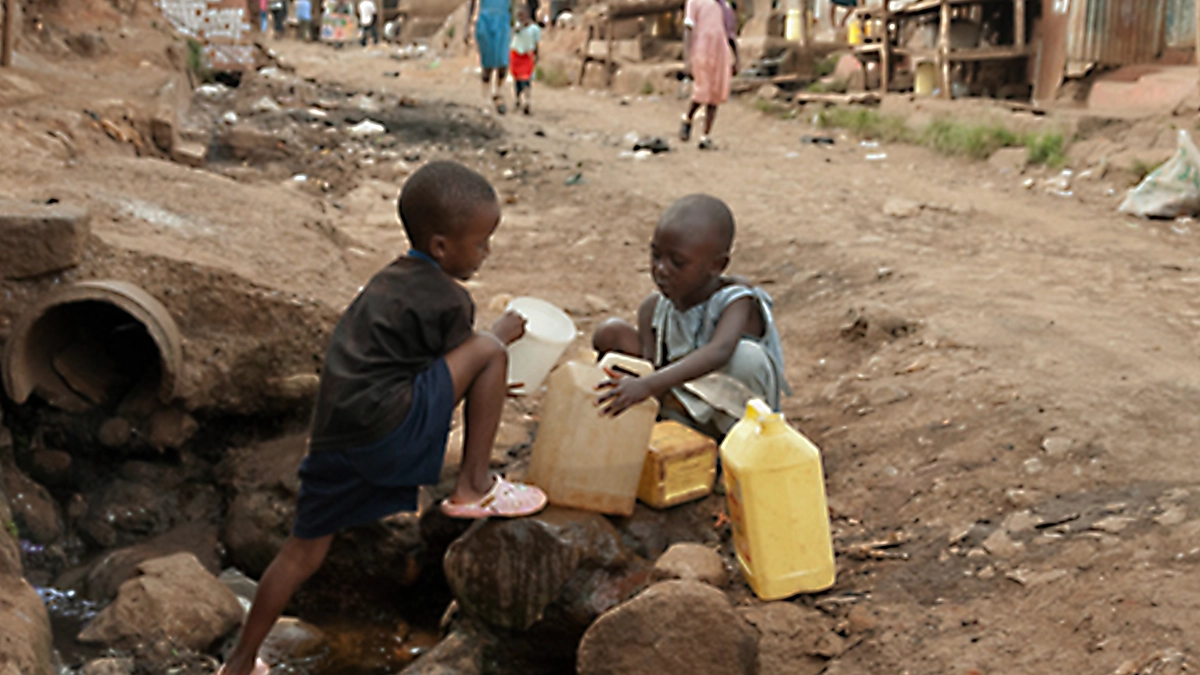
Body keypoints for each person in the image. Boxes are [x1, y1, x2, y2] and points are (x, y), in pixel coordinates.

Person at [215, 161, 549, 675]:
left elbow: (427, 368)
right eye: (481, 243)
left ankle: (239, 663)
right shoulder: (450, 299)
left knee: (302, 553)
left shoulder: (388, 280)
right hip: (387, 425)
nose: (486, 253)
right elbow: (473, 356)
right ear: (440, 246)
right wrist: (500, 337)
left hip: (335, 435)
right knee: (488, 347)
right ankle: (473, 486)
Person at [592, 194, 790, 438]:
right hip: (680, 408)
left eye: (677, 262)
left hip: (732, 412)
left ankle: (736, 447)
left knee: (746, 357)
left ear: (717, 266)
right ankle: (645, 431)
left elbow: (720, 350)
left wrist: (647, 384)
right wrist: (640, 385)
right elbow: (651, 367)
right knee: (611, 332)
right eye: (656, 256)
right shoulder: (654, 309)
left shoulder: (737, 301)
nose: (661, 269)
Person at [679, 0, 738, 150]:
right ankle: (688, 118)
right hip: (701, 49)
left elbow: (730, 33)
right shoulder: (694, 2)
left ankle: (706, 136)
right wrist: (687, 57)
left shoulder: (723, 5)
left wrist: (737, 58)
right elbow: (688, 28)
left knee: (716, 93)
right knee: (702, 90)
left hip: (720, 50)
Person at [465, 0, 511, 114]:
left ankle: (498, 92)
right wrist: (467, 26)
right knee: (487, 62)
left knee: (503, 62)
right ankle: (485, 99)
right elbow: (472, 3)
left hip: (503, 21)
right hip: (485, 21)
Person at [509, 5, 541, 115]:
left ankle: (526, 101)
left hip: (527, 56)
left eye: (522, 15)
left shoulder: (534, 29)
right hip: (516, 55)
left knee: (526, 80)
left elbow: (536, 44)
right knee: (517, 80)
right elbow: (515, 32)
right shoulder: (517, 26)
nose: (520, 17)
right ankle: (517, 100)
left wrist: (536, 55)